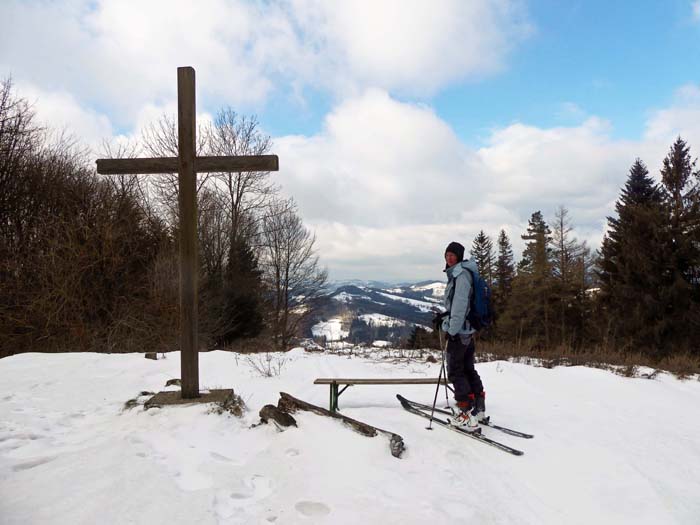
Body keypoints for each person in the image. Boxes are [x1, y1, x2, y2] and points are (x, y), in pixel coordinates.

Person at [434, 241, 486, 430]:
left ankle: (465, 412)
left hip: (460, 330)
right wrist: (445, 318)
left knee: (456, 371)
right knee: (467, 369)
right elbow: (457, 307)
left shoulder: (461, 275)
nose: (449, 257)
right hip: (467, 329)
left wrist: (451, 330)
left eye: (452, 255)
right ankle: (478, 409)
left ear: (459, 256)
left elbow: (459, 306)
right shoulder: (462, 273)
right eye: (447, 254)